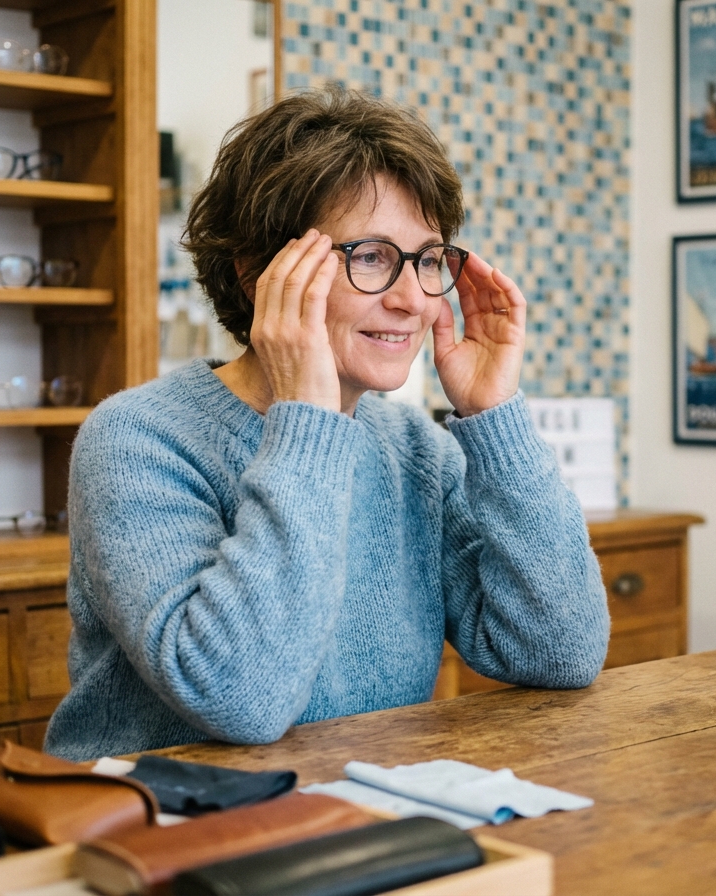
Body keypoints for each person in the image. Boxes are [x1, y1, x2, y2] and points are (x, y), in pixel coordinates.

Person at [44, 87, 610, 761]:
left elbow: (562, 651)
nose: (411, 300)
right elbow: (241, 699)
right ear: (259, 273)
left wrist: (495, 419)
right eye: (371, 257)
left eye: (428, 260)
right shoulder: (136, 442)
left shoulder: (416, 452)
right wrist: (308, 421)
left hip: (354, 821)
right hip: (161, 837)